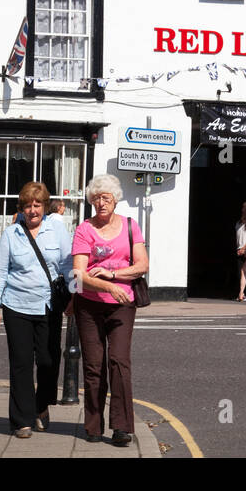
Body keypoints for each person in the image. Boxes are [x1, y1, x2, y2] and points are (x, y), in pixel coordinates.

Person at [0, 181, 72, 438]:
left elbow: (70, 266)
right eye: (27, 206)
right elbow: (0, 271)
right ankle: (21, 420)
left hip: (49, 306)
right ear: (21, 209)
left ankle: (41, 405)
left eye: (37, 205)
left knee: (48, 361)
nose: (32, 210)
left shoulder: (57, 230)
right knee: (21, 364)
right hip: (16, 306)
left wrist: (74, 298)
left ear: (45, 207)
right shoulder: (11, 234)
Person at [72, 174, 147, 447]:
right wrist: (102, 284)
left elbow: (142, 265)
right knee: (93, 366)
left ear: (115, 199)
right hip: (89, 305)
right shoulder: (84, 230)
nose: (101, 203)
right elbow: (77, 274)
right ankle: (93, 425)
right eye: (96, 198)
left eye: (106, 198)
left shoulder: (130, 225)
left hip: (122, 305)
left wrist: (113, 278)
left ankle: (122, 427)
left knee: (119, 362)